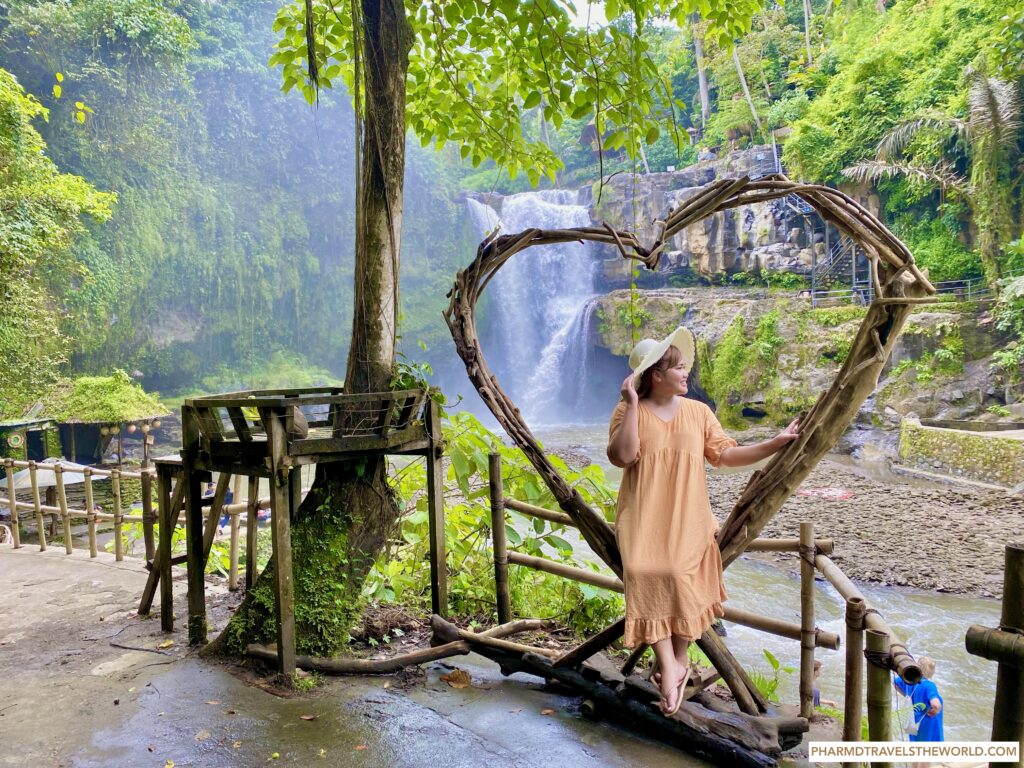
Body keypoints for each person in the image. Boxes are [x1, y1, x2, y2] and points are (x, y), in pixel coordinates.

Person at [607, 326, 800, 716]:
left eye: (683, 367)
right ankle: (672, 665)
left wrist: (774, 443)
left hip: (688, 515)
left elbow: (725, 455)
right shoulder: (630, 411)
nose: (686, 374)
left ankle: (675, 664)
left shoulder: (699, 413)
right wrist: (629, 401)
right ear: (655, 376)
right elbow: (623, 456)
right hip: (643, 515)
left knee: (679, 574)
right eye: (677, 368)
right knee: (644, 570)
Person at [894, 656, 943, 749]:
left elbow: (895, 683)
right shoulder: (929, 686)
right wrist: (936, 710)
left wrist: (906, 695)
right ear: (931, 671)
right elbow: (935, 704)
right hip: (927, 721)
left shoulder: (909, 680)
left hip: (913, 719)